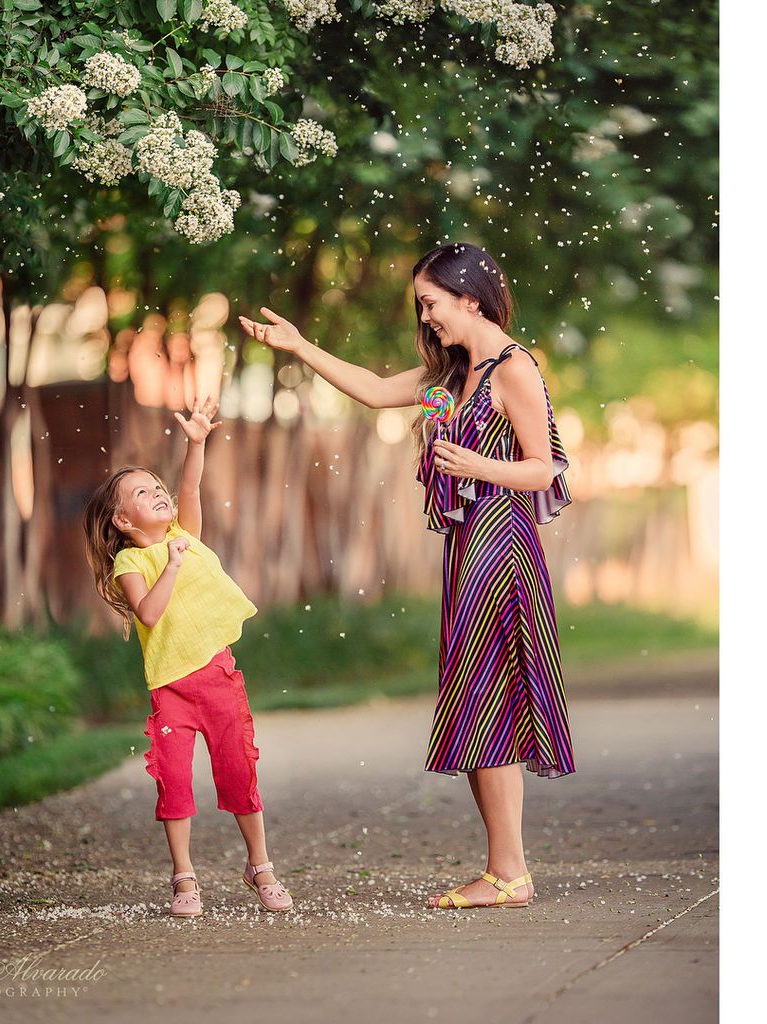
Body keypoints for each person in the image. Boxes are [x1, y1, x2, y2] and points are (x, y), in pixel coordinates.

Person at [238, 242, 575, 910]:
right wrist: (301, 346)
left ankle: (509, 874)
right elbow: (370, 389)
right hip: (467, 549)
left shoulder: (515, 369)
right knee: (474, 701)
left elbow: (546, 468)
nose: (426, 318)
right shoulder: (450, 376)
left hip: (504, 549)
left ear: (469, 297)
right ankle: (506, 872)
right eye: (421, 305)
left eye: (431, 303)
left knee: (488, 701)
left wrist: (478, 468)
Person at [81, 396, 294, 917]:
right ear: (122, 519)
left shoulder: (184, 535)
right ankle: (184, 878)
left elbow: (190, 485)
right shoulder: (132, 561)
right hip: (172, 689)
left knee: (238, 774)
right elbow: (149, 615)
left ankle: (260, 866)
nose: (157, 494)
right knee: (174, 784)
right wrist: (171, 567)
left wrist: (196, 442)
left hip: (218, 677)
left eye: (157, 487)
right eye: (141, 493)